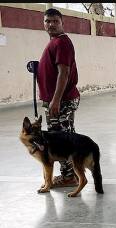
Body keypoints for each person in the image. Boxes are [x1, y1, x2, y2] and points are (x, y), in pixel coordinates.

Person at [38, 8, 81, 187]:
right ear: (44, 23)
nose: (51, 24)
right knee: (65, 136)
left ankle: (69, 176)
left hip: (61, 101)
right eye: (48, 21)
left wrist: (55, 100)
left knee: (60, 139)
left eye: (55, 21)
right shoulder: (56, 42)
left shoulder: (61, 42)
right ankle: (72, 174)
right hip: (60, 100)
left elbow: (64, 72)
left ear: (62, 23)